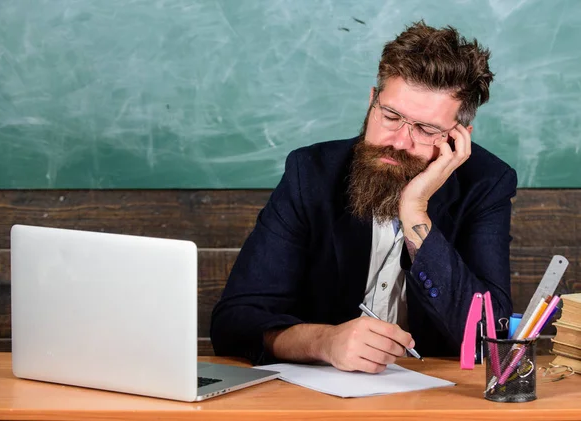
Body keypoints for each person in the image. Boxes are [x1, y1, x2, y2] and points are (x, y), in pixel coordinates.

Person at [210, 21, 517, 373]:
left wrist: (416, 212)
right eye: (391, 116)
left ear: (457, 138)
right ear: (372, 102)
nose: (399, 141)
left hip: (437, 399)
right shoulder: (310, 173)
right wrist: (324, 342)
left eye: (426, 129)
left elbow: (488, 337)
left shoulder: (487, 183)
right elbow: (234, 322)